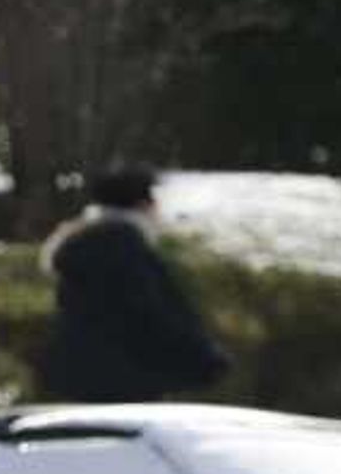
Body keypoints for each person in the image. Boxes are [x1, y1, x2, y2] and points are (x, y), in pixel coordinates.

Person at [34, 165, 229, 403]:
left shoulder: (84, 246)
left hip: (82, 379)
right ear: (143, 204)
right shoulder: (124, 248)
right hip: (126, 381)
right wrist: (205, 358)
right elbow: (148, 314)